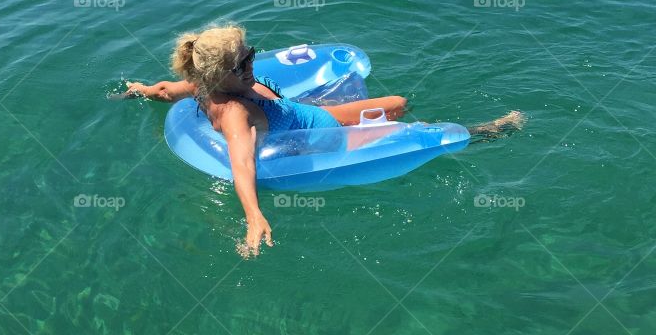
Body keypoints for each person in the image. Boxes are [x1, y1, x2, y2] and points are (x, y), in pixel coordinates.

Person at [116, 24, 524, 257]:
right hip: (323, 140)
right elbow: (242, 162)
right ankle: (490, 131)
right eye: (244, 62)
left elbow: (166, 90)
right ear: (221, 73)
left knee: (398, 102)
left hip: (312, 113)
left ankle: (383, 116)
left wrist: (140, 90)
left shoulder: (202, 84)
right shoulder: (236, 112)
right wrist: (253, 217)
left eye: (251, 53)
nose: (252, 62)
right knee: (425, 132)